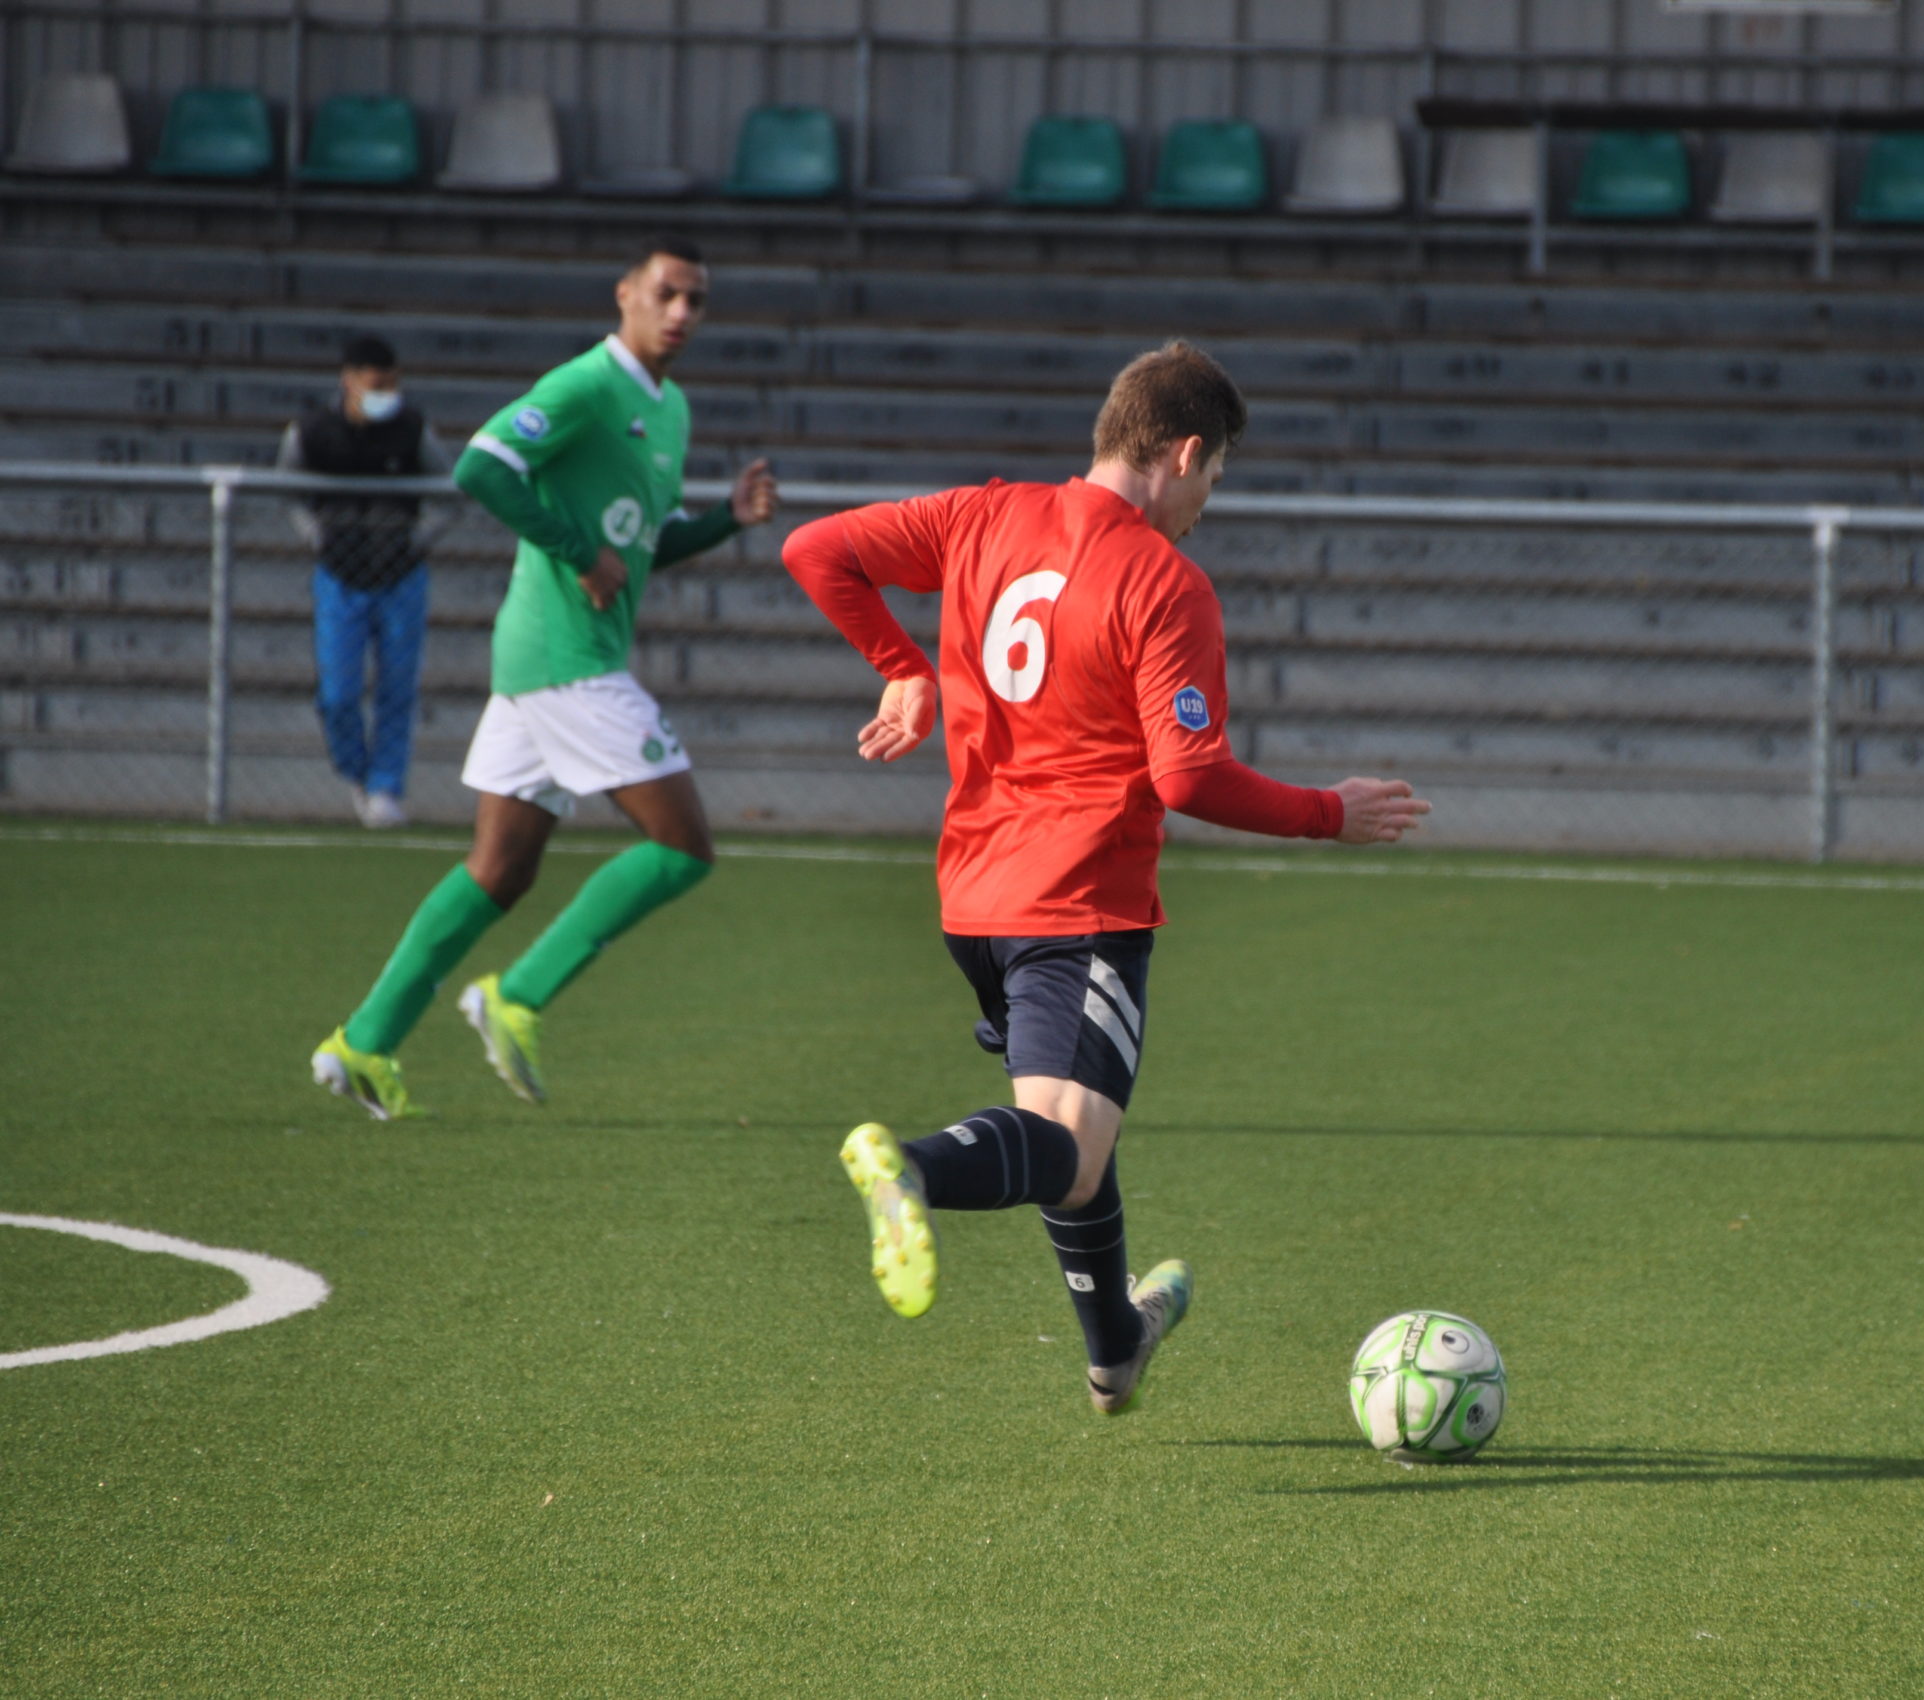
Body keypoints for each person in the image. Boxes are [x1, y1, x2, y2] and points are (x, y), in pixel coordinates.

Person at [779, 341, 1429, 1414]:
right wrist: (1328, 814)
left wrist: (904, 666)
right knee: (1069, 1149)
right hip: (1078, 904)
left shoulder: (981, 516)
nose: (1208, 501)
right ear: (1181, 453)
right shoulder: (1165, 580)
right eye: (1213, 476)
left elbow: (813, 548)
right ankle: (911, 1170)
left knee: (1075, 1125)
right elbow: (1186, 776)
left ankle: (1115, 1345)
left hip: (971, 896)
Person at [310, 236, 779, 1120]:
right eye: (667, 293)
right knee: (683, 846)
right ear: (626, 295)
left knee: (499, 870)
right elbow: (480, 466)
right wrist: (576, 548)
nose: (681, 312)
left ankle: (363, 1042)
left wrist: (726, 519)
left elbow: (643, 546)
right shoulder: (586, 385)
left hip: (547, 665)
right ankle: (517, 996)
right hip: (568, 661)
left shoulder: (667, 408)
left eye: (697, 300)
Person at [279, 335, 454, 829]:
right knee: (338, 694)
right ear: (349, 381)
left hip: (401, 575)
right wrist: (316, 538)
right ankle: (356, 771)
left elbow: (451, 490)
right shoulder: (312, 431)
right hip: (339, 576)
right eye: (376, 384)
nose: (386, 393)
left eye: (392, 383)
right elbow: (287, 488)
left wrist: (418, 540)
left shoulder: (412, 429)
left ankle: (386, 787)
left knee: (398, 689)